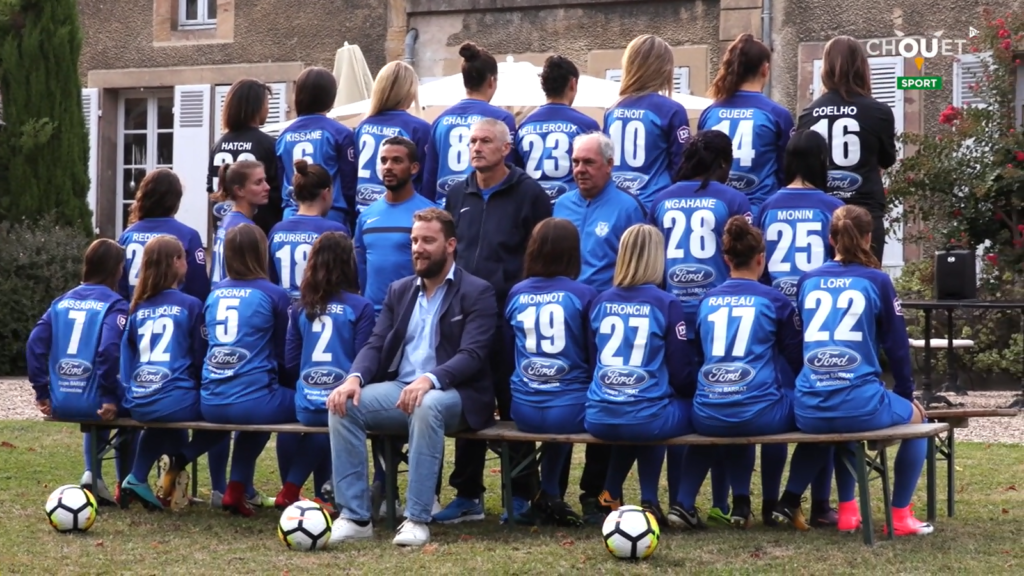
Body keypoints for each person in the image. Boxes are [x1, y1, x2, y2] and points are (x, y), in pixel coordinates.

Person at [325, 208, 497, 547]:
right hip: (401, 388)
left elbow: (472, 355)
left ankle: (417, 518)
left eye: (428, 241)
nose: (418, 248)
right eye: (414, 240)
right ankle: (356, 516)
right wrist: (354, 378)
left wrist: (431, 379)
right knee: (342, 405)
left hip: (455, 393)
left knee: (426, 405)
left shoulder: (477, 291)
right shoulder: (399, 290)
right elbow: (376, 343)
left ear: (450, 245)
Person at [777, 205, 933, 536]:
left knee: (844, 421)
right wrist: (906, 397)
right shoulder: (877, 280)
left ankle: (848, 512)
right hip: (859, 403)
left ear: (830, 239)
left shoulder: (807, 280)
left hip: (810, 407)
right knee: (921, 422)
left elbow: (798, 341)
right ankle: (901, 514)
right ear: (868, 237)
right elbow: (897, 346)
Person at [436, 118, 551, 524]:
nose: (476, 147)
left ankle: (522, 494)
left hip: (509, 319)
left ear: (506, 148)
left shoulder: (529, 194)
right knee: (468, 402)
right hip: (463, 319)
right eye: (472, 141)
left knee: (511, 404)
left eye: (485, 141)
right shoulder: (457, 193)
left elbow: (540, 256)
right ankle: (468, 494)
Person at [674, 216, 816, 531]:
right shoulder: (776, 300)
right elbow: (797, 360)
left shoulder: (706, 301)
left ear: (726, 260)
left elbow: (698, 357)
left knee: (726, 414)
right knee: (777, 401)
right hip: (760, 413)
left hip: (708, 412)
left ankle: (695, 503)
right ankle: (775, 503)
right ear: (761, 259)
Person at [647, 129, 752, 526]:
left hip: (672, 315)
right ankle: (732, 502)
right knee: (731, 403)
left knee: (681, 406)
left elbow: (652, 265)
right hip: (722, 317)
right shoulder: (734, 199)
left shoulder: (660, 199)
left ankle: (678, 498)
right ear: (724, 164)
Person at [551, 131, 645, 521]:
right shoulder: (561, 205)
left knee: (607, 401)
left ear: (609, 165)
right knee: (561, 399)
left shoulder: (627, 208)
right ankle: (550, 492)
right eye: (575, 162)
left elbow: (635, 270)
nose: (580, 169)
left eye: (588, 162)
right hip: (564, 323)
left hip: (609, 324)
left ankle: (597, 493)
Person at [198, 224, 321, 517]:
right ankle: (290, 492)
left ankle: (234, 490)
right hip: (254, 402)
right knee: (323, 409)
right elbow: (284, 352)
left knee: (257, 424)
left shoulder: (214, 294)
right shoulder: (274, 294)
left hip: (210, 401)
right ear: (261, 253)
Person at [755, 129, 845, 527]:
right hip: (818, 320)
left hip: (774, 316)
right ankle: (821, 502)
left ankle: (771, 501)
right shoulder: (832, 206)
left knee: (780, 406)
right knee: (820, 410)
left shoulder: (766, 205)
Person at [585, 223, 695, 525]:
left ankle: (611, 490)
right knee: (669, 409)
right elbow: (681, 371)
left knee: (641, 410)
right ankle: (673, 502)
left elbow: (595, 362)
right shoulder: (667, 302)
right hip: (645, 417)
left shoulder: (600, 301)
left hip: (597, 415)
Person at [118, 236, 228, 511]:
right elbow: (201, 355)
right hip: (174, 401)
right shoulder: (191, 305)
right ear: (176, 262)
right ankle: (181, 458)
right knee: (226, 413)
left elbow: (126, 360)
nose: (187, 262)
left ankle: (137, 477)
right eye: (184, 257)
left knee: (159, 414)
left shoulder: (137, 308)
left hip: (139, 402)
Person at [504, 218, 597, 526]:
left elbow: (508, 351)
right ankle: (585, 495)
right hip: (570, 409)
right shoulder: (584, 294)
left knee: (558, 399)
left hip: (524, 409)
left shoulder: (516, 292)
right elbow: (594, 355)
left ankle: (547, 494)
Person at [26, 239, 131, 506]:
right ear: (115, 269)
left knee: (103, 404)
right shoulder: (115, 304)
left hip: (62, 402)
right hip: (96, 402)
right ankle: (127, 483)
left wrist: (43, 392)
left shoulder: (61, 302)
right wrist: (110, 395)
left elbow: (35, 344)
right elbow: (108, 352)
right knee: (135, 409)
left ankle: (92, 474)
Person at [281, 232, 374, 512]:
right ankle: (292, 488)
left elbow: (291, 360)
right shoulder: (361, 306)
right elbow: (363, 359)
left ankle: (319, 490)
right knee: (333, 417)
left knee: (320, 421)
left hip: (306, 404)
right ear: (349, 263)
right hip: (344, 403)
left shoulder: (300, 307)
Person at [797, 36, 897, 263]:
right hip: (865, 213)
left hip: (825, 214)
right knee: (867, 280)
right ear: (862, 67)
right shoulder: (879, 112)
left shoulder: (808, 113)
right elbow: (887, 159)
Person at [700, 34, 794, 220]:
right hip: (760, 214)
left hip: (716, 213)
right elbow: (787, 172)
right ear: (765, 70)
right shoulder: (777, 115)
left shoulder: (710, 113)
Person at [421, 42, 519, 207]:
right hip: (485, 209)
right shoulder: (501, 120)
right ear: (491, 81)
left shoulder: (440, 120)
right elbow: (509, 173)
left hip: (444, 211)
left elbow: (429, 178)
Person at [603, 34, 691, 209]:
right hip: (654, 205)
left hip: (615, 206)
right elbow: (682, 169)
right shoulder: (671, 110)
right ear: (664, 69)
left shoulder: (612, 110)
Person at [759, 130, 844, 299]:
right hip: (820, 302)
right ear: (821, 160)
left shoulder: (768, 207)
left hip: (776, 304)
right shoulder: (833, 207)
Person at [355, 136, 436, 316]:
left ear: (414, 168)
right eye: (384, 161)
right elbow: (361, 268)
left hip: (416, 317)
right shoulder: (366, 216)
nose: (388, 167)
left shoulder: (431, 213)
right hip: (373, 321)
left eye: (397, 161)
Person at [276, 66, 357, 227]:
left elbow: (281, 180)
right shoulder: (340, 133)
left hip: (292, 214)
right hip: (330, 216)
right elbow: (349, 182)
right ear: (330, 96)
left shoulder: (283, 136)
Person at [515, 56, 600, 203]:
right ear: (573, 84)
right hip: (572, 209)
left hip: (532, 208)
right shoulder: (587, 125)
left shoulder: (524, 125)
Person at [117, 168, 210, 303]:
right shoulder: (188, 236)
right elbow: (199, 290)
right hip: (177, 319)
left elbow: (121, 288)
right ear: (176, 201)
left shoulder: (127, 236)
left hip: (136, 317)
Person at [207, 79, 282, 236]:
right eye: (266, 103)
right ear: (256, 106)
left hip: (224, 230)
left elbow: (212, 190)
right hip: (258, 234)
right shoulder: (269, 145)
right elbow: (278, 190)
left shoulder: (218, 145)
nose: (268, 109)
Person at [354, 61, 431, 213]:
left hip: (364, 212)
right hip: (403, 213)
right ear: (409, 91)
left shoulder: (362, 127)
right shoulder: (418, 128)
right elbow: (427, 179)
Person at [267, 159, 350, 301]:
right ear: (326, 193)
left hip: (285, 312)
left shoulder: (277, 230)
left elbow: (271, 279)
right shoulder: (335, 231)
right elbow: (345, 283)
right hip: (321, 313)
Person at [209, 160, 270, 285]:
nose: (267, 187)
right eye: (258, 183)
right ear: (239, 190)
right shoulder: (244, 229)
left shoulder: (227, 221)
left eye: (265, 180)